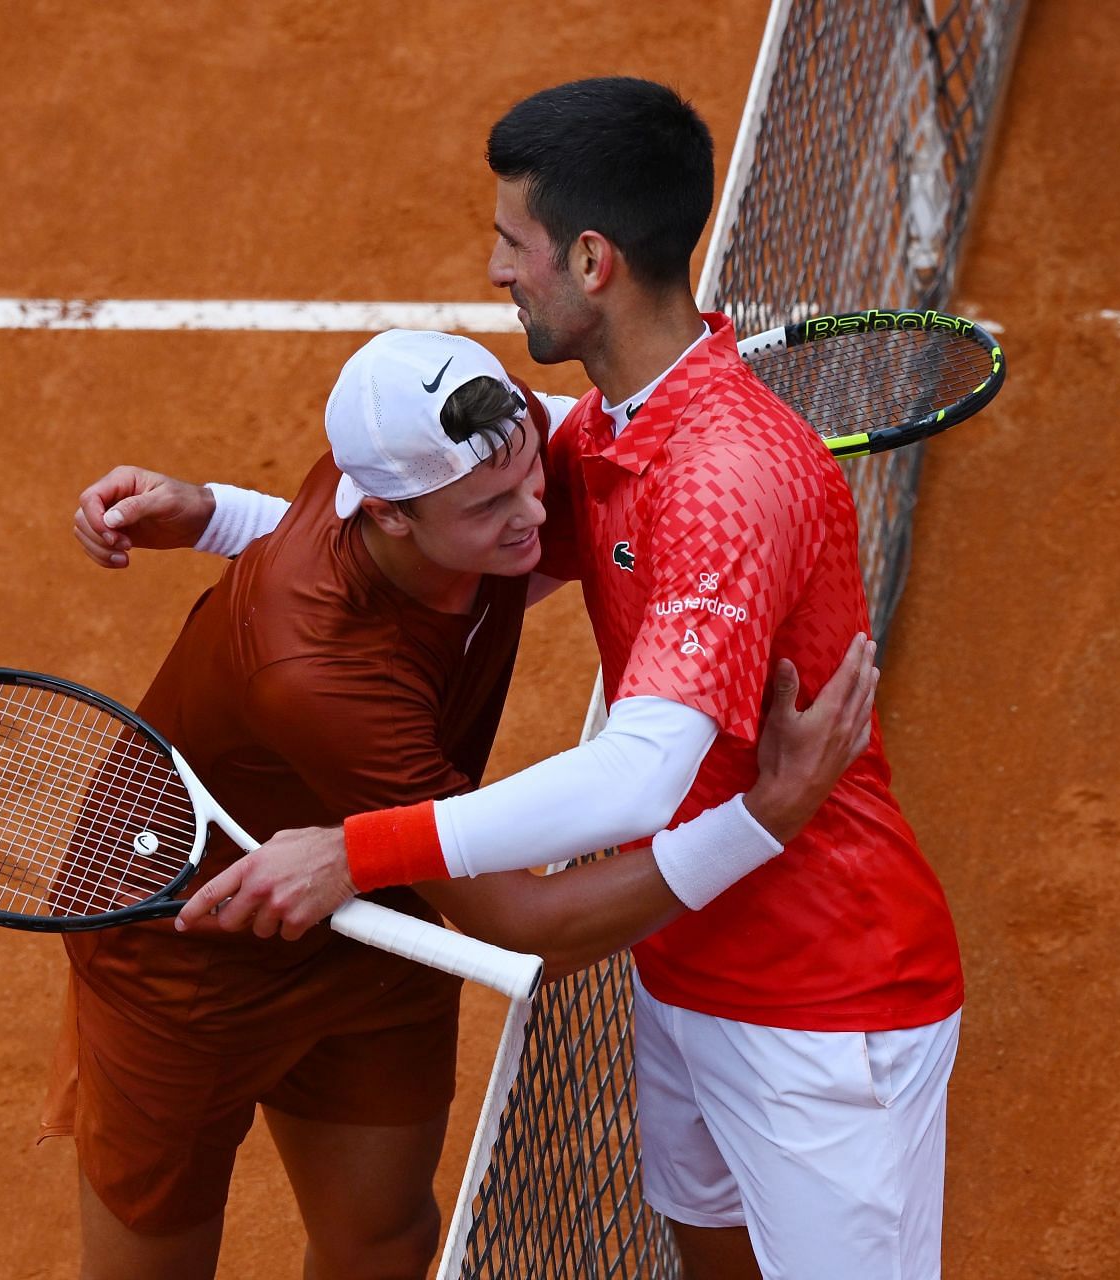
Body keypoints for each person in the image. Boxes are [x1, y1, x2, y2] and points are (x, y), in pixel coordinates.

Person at [189, 78, 965, 1280]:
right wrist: (213, 517)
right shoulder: (604, 430)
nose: (497, 267)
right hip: (682, 962)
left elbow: (644, 774)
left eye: (514, 241)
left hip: (827, 1006)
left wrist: (360, 848)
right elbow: (431, 532)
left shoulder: (718, 480)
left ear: (591, 260)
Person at [50, 326, 881, 1280]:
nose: (536, 514)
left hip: (377, 919)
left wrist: (216, 513)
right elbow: (526, 930)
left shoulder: (461, 439)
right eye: (492, 507)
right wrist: (760, 822)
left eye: (532, 475)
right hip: (186, 967)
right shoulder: (316, 673)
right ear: (391, 514)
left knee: (386, 1246)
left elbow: (363, 551)